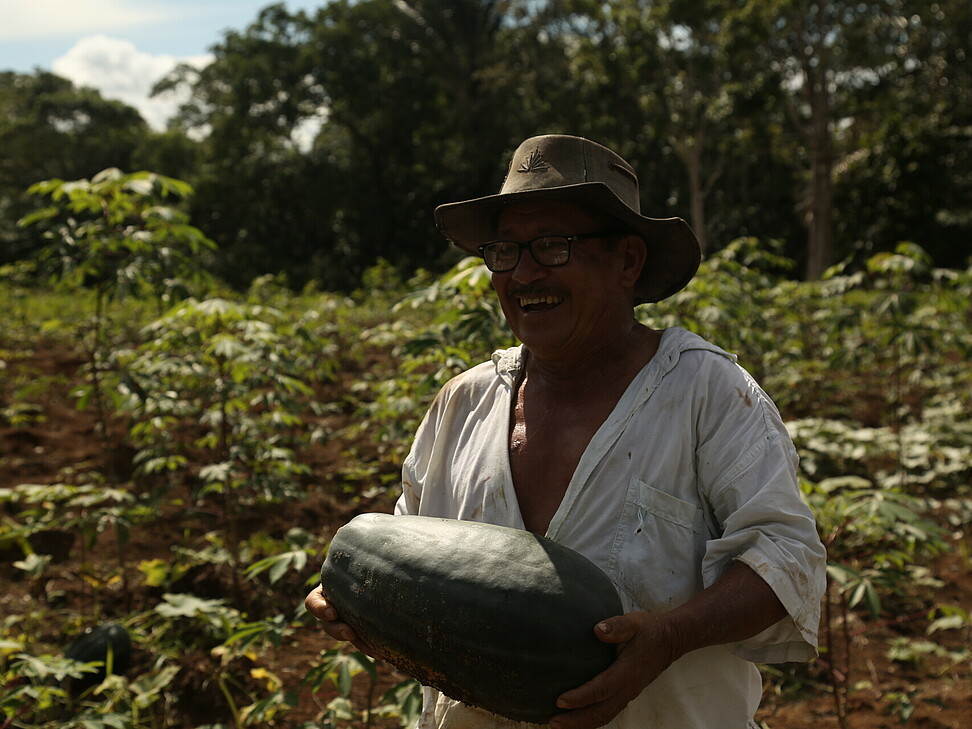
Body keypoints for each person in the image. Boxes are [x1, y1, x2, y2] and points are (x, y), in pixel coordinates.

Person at [306, 134, 827, 729]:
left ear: (627, 261)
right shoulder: (464, 401)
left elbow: (789, 558)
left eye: (553, 246)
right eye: (504, 250)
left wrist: (669, 637)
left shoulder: (708, 393)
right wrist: (360, 601)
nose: (524, 273)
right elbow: (407, 553)